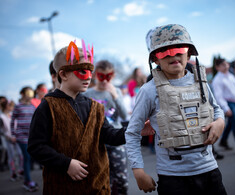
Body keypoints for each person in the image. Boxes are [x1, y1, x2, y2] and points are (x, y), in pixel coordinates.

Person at [27, 41, 152, 195]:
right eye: (82, 71)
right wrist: (66, 164)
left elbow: (110, 135)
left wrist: (136, 130)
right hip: (62, 187)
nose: (88, 76)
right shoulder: (47, 106)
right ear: (63, 74)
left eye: (90, 70)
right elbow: (36, 146)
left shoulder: (95, 107)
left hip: (97, 186)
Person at [125, 24, 227, 194]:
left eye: (179, 48)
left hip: (209, 170)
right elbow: (132, 132)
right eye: (165, 51)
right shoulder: (149, 91)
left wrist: (220, 122)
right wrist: (138, 171)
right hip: (173, 177)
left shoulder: (201, 83)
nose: (173, 55)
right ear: (155, 59)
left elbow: (216, 109)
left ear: (189, 53)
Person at [84, 60, 129, 195]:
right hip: (97, 142)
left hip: (116, 138)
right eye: (101, 76)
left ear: (112, 76)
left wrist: (115, 95)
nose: (104, 81)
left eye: (108, 76)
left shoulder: (116, 92)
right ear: (95, 75)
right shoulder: (87, 94)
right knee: (103, 180)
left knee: (122, 179)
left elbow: (124, 115)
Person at [212, 58, 235, 155]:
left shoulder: (230, 76)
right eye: (223, 65)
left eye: (226, 64)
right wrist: (226, 108)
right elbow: (219, 96)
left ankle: (223, 141)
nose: (226, 66)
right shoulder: (217, 80)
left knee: (231, 123)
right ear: (217, 67)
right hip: (229, 104)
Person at [11, 86, 38, 191]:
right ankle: (27, 181)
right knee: (26, 157)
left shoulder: (32, 107)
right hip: (21, 137)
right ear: (22, 94)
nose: (29, 95)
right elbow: (13, 121)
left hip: (31, 137)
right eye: (27, 92)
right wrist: (13, 134)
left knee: (29, 158)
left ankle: (26, 177)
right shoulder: (18, 106)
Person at [0, 99, 23, 181]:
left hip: (16, 137)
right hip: (8, 139)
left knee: (21, 155)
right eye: (11, 105)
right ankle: (13, 174)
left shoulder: (12, 115)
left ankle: (20, 171)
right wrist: (8, 137)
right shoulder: (1, 117)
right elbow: (2, 131)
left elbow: (16, 125)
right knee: (12, 156)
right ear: (7, 106)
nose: (13, 107)